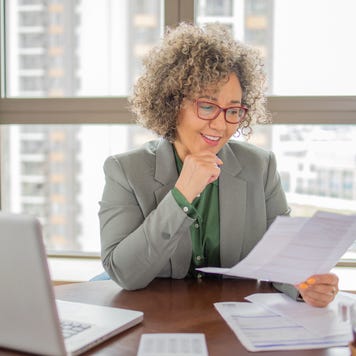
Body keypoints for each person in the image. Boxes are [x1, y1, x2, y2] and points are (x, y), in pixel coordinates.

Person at [98, 22, 338, 307]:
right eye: (208, 106)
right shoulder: (125, 171)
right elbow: (124, 273)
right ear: (172, 102)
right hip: (157, 319)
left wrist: (304, 282)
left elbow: (282, 259)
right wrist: (181, 195)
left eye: (233, 110)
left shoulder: (260, 167)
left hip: (232, 323)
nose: (221, 124)